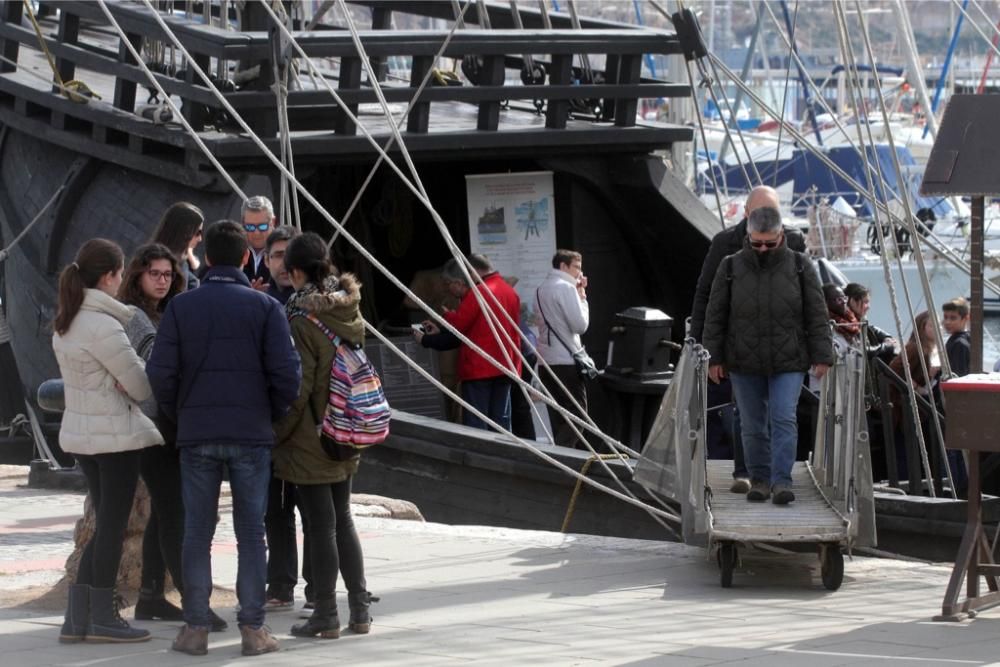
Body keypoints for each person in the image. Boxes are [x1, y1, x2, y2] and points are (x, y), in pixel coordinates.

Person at [148, 221, 301, 657]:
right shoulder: (266, 307)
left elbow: (160, 374)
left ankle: (195, 628)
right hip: (251, 433)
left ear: (209, 259)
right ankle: (253, 628)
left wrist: (182, 414)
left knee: (197, 531)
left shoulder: (180, 307)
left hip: (197, 434)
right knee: (251, 532)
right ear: (241, 259)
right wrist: (269, 414)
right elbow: (288, 374)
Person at [52, 239, 164, 644]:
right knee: (112, 529)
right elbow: (140, 385)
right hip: (115, 440)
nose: (121, 282)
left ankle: (76, 618)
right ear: (109, 277)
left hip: (84, 438)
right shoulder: (106, 326)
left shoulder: (68, 320)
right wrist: (132, 378)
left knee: (104, 525)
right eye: (119, 274)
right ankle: (103, 616)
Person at [118, 243, 227, 632]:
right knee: (176, 512)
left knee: (165, 512)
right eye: (155, 274)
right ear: (138, 275)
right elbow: (155, 369)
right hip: (153, 427)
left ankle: (149, 596)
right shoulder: (135, 317)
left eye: (168, 274)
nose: (163, 281)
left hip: (169, 424)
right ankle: (195, 602)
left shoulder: (169, 311)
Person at [273, 232, 377, 638]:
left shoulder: (302, 318)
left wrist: (278, 432)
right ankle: (359, 610)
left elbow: (300, 387)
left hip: (312, 435)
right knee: (343, 518)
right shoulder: (350, 308)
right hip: (349, 427)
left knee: (320, 525)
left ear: (297, 271)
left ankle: (326, 615)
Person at [703, 207, 833, 505]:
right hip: (744, 360)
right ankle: (759, 479)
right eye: (756, 243)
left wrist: (822, 355)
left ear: (781, 237)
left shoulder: (800, 266)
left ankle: (781, 481)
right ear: (748, 237)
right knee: (751, 422)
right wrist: (714, 358)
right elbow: (716, 315)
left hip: (788, 358)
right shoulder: (730, 266)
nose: (762, 249)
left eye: (769, 244)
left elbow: (816, 312)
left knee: (783, 417)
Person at [689, 185, 807, 493]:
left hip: (781, 343)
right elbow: (706, 296)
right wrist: (703, 345)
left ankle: (775, 479)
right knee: (746, 412)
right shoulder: (724, 244)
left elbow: (808, 295)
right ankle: (747, 472)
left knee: (781, 415)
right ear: (746, 213)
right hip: (738, 341)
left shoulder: (794, 241)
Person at [258, 224, 312, 611]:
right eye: (275, 255)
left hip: (310, 423)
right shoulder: (257, 302)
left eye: (287, 255)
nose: (282, 263)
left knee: (314, 511)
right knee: (274, 510)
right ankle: (280, 583)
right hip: (272, 422)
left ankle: (318, 585)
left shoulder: (314, 304)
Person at [421, 255, 521, 431]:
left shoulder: (480, 292)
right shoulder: (508, 290)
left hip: (480, 367)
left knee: (477, 422)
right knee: (502, 420)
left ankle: (481, 458)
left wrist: (446, 317)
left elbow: (460, 325)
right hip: (506, 364)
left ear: (474, 270)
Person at [535, 249, 590, 448]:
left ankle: (563, 459)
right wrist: (582, 296)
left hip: (546, 360)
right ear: (563, 266)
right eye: (576, 267)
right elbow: (580, 325)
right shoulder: (566, 288)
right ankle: (562, 456)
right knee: (578, 414)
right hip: (565, 359)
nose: (579, 273)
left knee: (558, 415)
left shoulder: (541, 289)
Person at [150, 202, 204, 291]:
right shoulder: (172, 267)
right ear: (184, 232)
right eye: (197, 233)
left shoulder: (149, 257)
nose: (200, 239)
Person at [241, 195, 275, 290]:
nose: (256, 233)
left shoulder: (286, 249)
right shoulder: (234, 250)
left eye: (262, 226)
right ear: (243, 224)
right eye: (250, 227)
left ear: (273, 222)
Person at [264, 225, 300, 305]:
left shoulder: (321, 304)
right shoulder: (259, 304)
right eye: (279, 255)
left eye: (292, 255)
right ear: (266, 260)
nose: (286, 263)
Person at [942, 297, 971, 377]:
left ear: (966, 318)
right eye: (945, 317)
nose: (947, 322)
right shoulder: (968, 338)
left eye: (953, 318)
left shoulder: (959, 344)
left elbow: (957, 377)